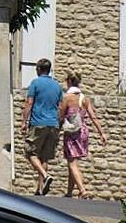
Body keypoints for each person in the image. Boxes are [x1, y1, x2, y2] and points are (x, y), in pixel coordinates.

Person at [60, 70, 107, 198]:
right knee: (74, 161)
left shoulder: (67, 98)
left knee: (72, 162)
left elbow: (61, 116)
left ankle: (82, 190)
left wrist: (56, 128)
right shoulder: (84, 99)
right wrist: (101, 133)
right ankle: (69, 192)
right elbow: (93, 116)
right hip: (83, 131)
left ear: (69, 82)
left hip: (72, 132)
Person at [21, 58, 63, 195]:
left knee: (30, 152)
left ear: (39, 70)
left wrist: (24, 122)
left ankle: (45, 176)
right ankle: (40, 189)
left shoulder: (35, 83)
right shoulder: (57, 85)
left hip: (38, 123)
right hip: (53, 124)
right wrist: (59, 123)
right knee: (44, 157)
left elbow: (29, 103)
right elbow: (61, 107)